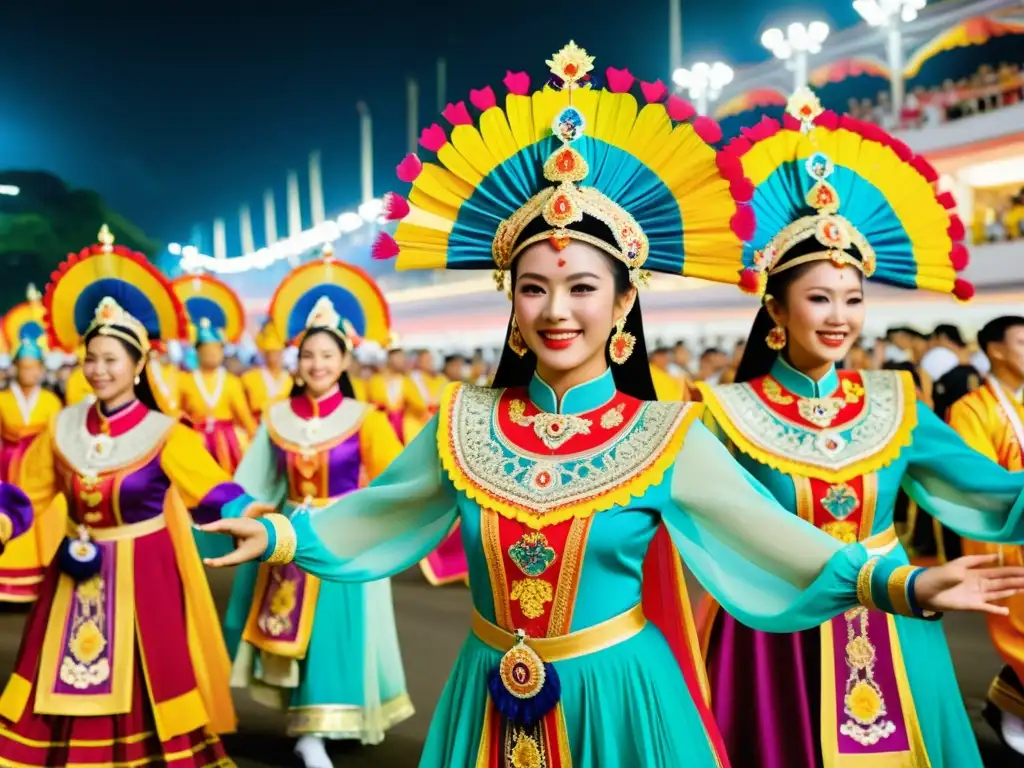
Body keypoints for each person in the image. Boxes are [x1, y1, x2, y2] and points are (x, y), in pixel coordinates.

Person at [198, 45, 1022, 768]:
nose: (559, 310)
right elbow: (378, 513)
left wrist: (905, 585)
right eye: (536, 288)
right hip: (488, 691)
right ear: (511, 303)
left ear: (625, 303)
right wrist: (275, 530)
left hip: (624, 699)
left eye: (583, 287)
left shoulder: (666, 433)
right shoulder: (462, 422)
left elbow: (778, 543)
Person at [696, 87, 1019, 767]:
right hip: (775, 630)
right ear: (776, 311)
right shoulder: (726, 415)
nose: (840, 316)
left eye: (853, 298)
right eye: (819, 298)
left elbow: (994, 494)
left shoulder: (895, 402)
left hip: (896, 623)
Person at [0, 227, 274, 767]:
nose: (99, 370)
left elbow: (213, 491)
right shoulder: (62, 427)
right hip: (72, 573)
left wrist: (258, 520)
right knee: (59, 672)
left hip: (144, 574)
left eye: (112, 359)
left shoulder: (164, 432)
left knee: (145, 676)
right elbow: (23, 494)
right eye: (91, 357)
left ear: (139, 365)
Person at [224, 252, 412, 768]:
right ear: (296, 360)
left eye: (328, 355)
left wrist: (378, 525)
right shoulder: (277, 416)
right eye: (308, 355)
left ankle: (329, 723)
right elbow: (253, 480)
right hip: (288, 535)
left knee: (339, 630)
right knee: (292, 633)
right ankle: (308, 730)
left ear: (346, 361)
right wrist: (250, 517)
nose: (317, 365)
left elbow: (395, 481)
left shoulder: (365, 418)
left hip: (345, 536)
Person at [947, 315, 1024, 754]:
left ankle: (1004, 705)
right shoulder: (972, 409)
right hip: (1007, 542)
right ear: (995, 350)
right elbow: (977, 484)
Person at [0, 289, 64, 603]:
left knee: (41, 517)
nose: (29, 372)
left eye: (34, 367)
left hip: (40, 467)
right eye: (23, 367)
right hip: (8, 464)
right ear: (15, 368)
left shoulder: (52, 400)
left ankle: (40, 575)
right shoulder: (2, 400)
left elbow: (56, 436)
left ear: (41, 369)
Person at [172, 273, 257, 473]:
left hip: (228, 442)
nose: (212, 355)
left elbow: (244, 415)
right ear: (197, 352)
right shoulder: (185, 380)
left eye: (216, 350)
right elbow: (178, 414)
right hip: (196, 440)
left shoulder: (231, 381)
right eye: (207, 350)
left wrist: (256, 440)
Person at [242, 319, 293, 421]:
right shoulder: (249, 377)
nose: (275, 357)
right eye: (271, 352)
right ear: (264, 354)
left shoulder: (291, 379)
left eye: (278, 352)